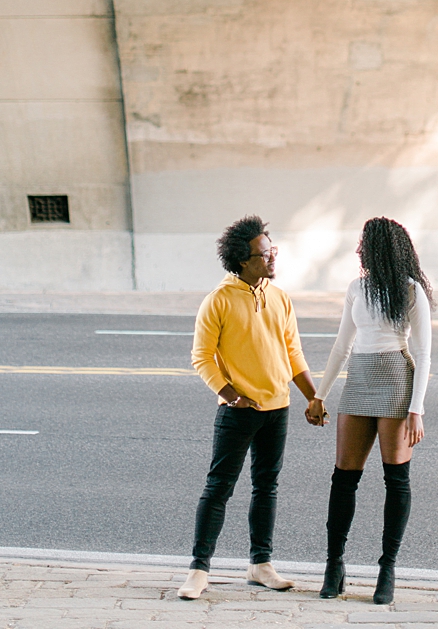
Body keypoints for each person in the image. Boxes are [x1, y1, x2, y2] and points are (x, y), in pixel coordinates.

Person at [178, 215, 323, 600]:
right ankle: (198, 570)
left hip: (278, 408)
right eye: (264, 253)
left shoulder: (279, 297)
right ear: (243, 259)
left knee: (266, 487)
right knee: (218, 488)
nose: (272, 258)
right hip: (239, 411)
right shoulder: (218, 300)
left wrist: (313, 396)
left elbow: (293, 352)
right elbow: (201, 357)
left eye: (273, 250)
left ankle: (261, 564)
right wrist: (230, 394)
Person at [312, 217, 433, 605]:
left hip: (396, 378)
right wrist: (321, 395)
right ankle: (335, 565)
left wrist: (417, 409)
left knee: (395, 479)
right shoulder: (356, 289)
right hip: (360, 379)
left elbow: (425, 354)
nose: (358, 250)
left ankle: (388, 568)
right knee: (343, 477)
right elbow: (341, 346)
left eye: (364, 244)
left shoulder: (411, 291)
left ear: (381, 249)